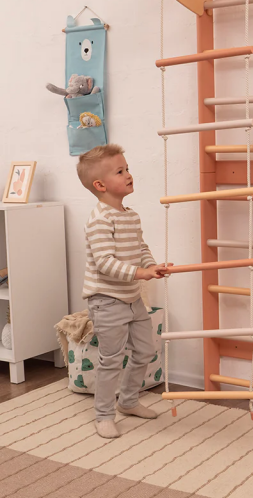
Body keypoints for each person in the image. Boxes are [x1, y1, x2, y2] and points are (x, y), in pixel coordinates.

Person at [77, 143, 170, 438]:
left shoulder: (130, 216)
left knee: (145, 350)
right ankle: (104, 414)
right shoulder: (100, 220)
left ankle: (128, 401)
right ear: (100, 185)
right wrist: (141, 274)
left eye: (127, 168)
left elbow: (140, 248)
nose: (128, 174)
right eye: (120, 171)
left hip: (131, 297)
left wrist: (151, 265)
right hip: (106, 300)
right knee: (111, 359)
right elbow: (105, 263)